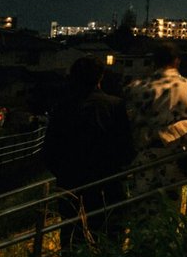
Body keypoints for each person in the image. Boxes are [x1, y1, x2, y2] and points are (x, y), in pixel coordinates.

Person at [42, 55, 134, 246]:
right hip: (107, 183)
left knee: (72, 233)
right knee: (109, 234)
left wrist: (64, 172)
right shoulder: (114, 105)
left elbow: (49, 150)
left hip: (71, 183)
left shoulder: (62, 108)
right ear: (100, 77)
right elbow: (126, 146)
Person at [125, 42, 187, 200]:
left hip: (142, 157)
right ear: (176, 61)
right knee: (169, 208)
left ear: (154, 62)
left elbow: (127, 121)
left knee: (142, 206)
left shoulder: (137, 87)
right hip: (173, 158)